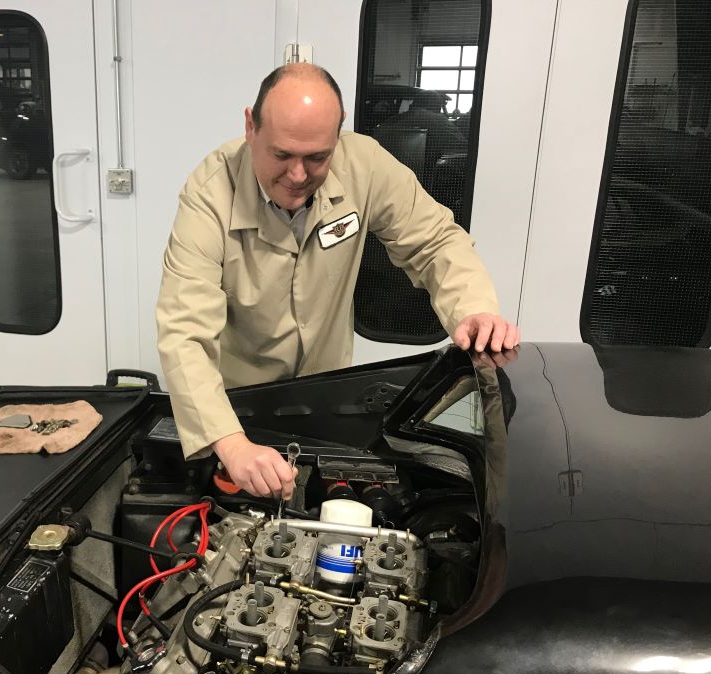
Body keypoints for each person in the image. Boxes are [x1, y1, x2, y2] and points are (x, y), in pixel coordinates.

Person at [156, 63, 519, 500]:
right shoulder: (209, 195)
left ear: (338, 133)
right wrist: (231, 444)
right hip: (241, 406)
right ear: (251, 126)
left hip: (328, 395)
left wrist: (473, 309)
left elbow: (436, 240)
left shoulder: (364, 164)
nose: (298, 175)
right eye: (282, 155)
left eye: (317, 157)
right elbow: (184, 332)